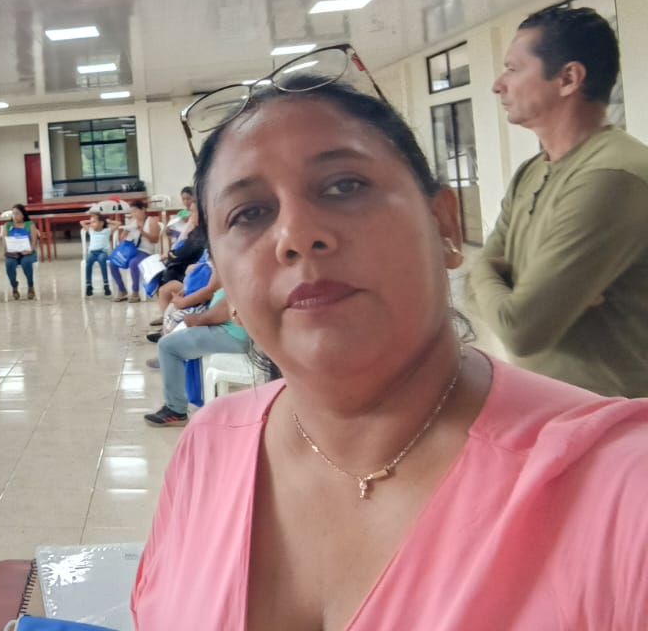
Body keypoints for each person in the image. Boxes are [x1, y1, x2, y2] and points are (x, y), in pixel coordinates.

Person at [131, 68, 648, 629]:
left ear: (444, 223)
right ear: (224, 274)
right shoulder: (208, 448)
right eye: (249, 213)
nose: (297, 235)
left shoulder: (620, 492)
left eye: (344, 186)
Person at [470, 4, 648, 398]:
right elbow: (475, 287)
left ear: (568, 78)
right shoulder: (531, 172)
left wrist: (491, 274)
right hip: (554, 409)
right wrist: (490, 273)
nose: (498, 85)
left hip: (617, 418)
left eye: (513, 68)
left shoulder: (612, 176)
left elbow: (521, 329)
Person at [143, 268, 247, 426]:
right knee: (177, 335)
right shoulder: (239, 274)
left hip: (232, 335)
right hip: (231, 331)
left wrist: (191, 318)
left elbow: (207, 317)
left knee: (167, 346)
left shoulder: (235, 280)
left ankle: (175, 410)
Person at [111, 201, 160, 304]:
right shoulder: (132, 223)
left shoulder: (151, 221)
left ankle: (135, 292)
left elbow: (155, 240)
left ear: (143, 210)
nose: (133, 214)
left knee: (133, 263)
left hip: (145, 251)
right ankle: (122, 290)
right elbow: (122, 241)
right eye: (132, 212)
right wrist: (124, 233)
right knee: (113, 262)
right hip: (132, 251)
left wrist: (142, 232)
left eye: (135, 211)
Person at [0, 203, 39, 300]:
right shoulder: (7, 225)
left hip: (28, 252)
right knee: (9, 264)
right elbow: (4, 241)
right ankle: (14, 286)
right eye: (13, 213)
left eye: (17, 213)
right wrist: (7, 251)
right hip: (12, 253)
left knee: (26, 262)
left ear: (23, 214)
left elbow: (34, 241)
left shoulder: (30, 224)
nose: (15, 216)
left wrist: (30, 250)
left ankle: (30, 286)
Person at [83, 212, 113, 297]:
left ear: (101, 223)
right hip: (92, 253)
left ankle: (106, 284)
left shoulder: (106, 231)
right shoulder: (91, 231)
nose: (91, 224)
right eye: (91, 222)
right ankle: (89, 285)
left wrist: (108, 221)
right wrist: (91, 221)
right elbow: (82, 222)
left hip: (102, 252)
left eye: (94, 222)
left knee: (102, 260)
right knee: (88, 262)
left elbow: (118, 224)